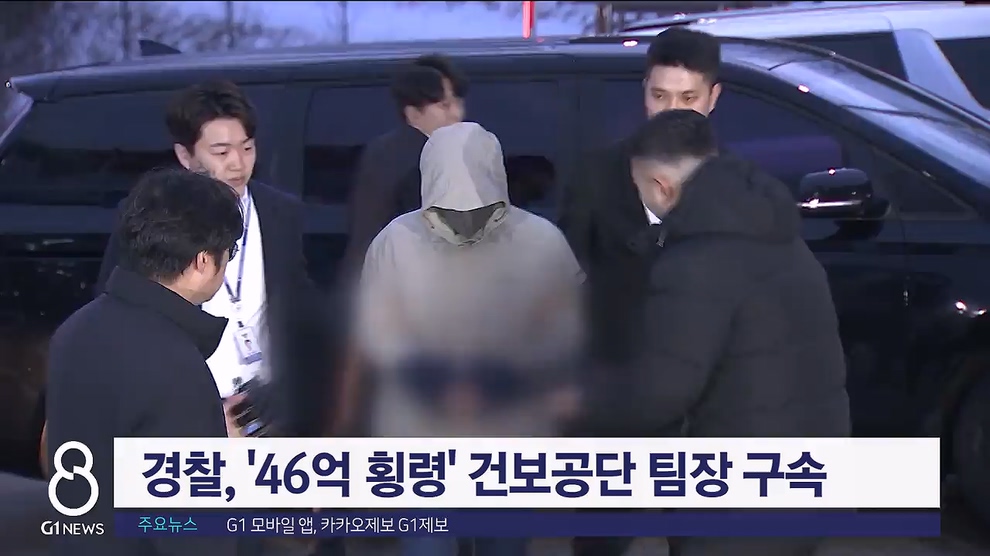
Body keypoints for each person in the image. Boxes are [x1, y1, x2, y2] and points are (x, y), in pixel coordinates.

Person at [586, 109, 851, 556]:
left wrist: (574, 403)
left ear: (661, 186)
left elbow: (658, 395)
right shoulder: (778, 236)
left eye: (639, 188)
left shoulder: (696, 265)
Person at [93, 81, 337, 556]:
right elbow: (115, 310)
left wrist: (293, 391)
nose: (237, 163)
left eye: (247, 147)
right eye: (221, 151)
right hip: (194, 414)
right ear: (185, 156)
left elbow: (300, 310)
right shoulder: (149, 221)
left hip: (270, 414)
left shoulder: (280, 212)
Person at [348, 122, 584, 556]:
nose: (464, 221)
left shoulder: (540, 241)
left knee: (504, 547)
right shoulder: (395, 242)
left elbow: (562, 330)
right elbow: (379, 331)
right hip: (421, 440)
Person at [559, 27, 723, 556]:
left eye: (687, 98)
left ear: (713, 98)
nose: (671, 111)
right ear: (643, 94)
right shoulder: (597, 174)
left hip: (706, 406)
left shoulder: (739, 184)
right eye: (660, 96)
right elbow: (565, 276)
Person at [46, 168, 243, 556]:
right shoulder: (176, 366)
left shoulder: (75, 329)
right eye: (229, 252)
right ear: (203, 261)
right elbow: (193, 533)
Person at [339, 53, 468, 282]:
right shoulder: (411, 160)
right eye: (444, 105)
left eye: (457, 103)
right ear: (413, 113)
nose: (456, 114)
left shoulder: (387, 150)